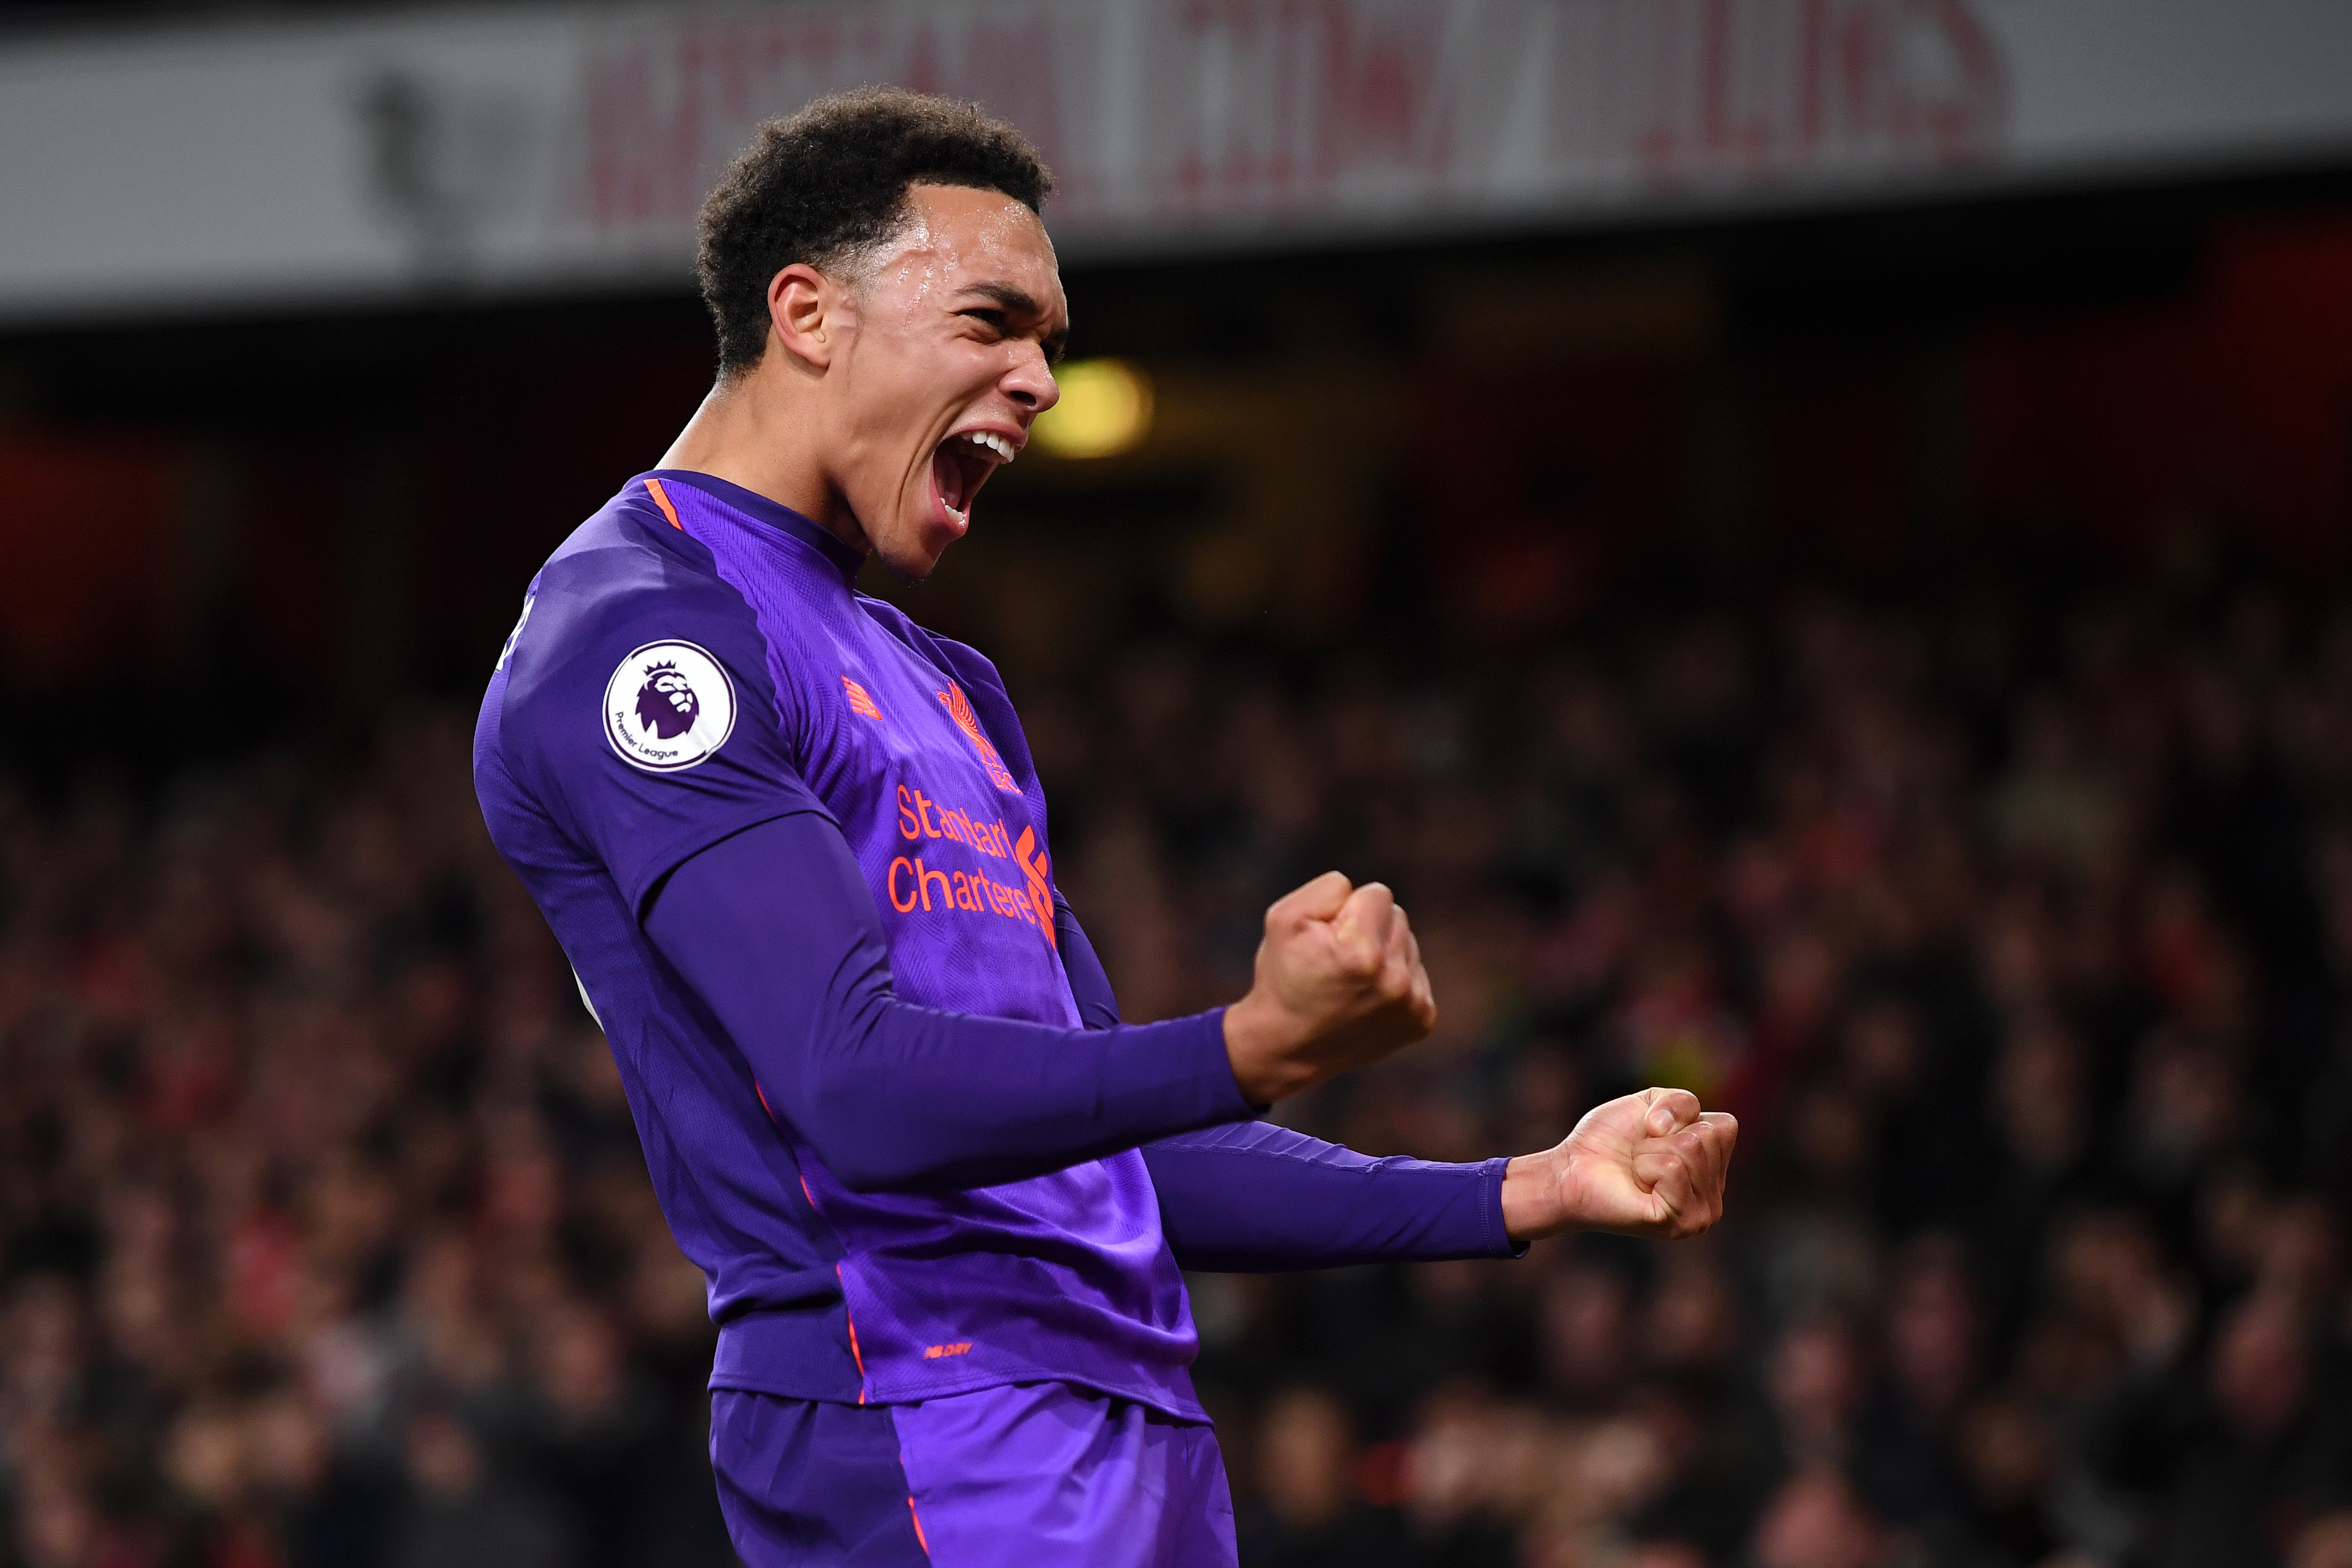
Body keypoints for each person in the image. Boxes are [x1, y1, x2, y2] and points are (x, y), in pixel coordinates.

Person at [472, 87, 1737, 1567]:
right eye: (991, 323)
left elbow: (1116, 1157)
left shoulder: (947, 686)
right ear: (807, 313)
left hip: (1134, 1425)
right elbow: (852, 1085)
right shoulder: (645, 636)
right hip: (921, 1418)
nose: (1039, 382)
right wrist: (1248, 1046)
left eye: (1051, 345)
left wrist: (1525, 1187)